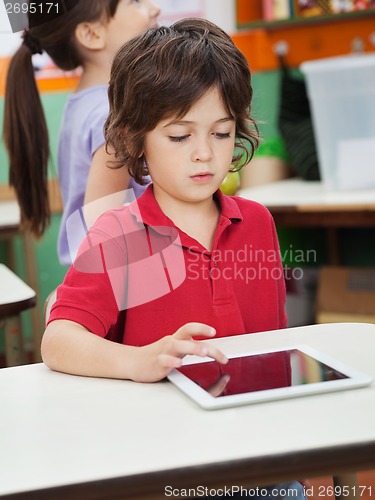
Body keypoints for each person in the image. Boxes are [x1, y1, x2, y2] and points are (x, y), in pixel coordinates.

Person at [42, 18, 304, 498]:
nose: (204, 154)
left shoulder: (257, 223)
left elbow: (274, 346)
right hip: (166, 465)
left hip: (260, 453)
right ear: (135, 137)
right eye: (180, 137)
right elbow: (58, 339)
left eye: (222, 133)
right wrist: (137, 359)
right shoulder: (122, 236)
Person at [3, 0, 160, 265]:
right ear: (91, 34)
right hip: (124, 287)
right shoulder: (113, 117)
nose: (153, 9)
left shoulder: (84, 104)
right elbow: (103, 238)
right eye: (134, 2)